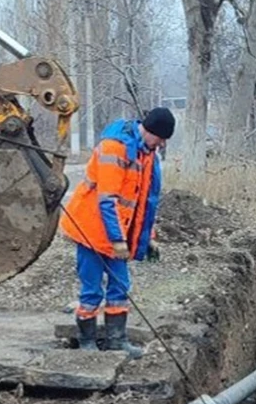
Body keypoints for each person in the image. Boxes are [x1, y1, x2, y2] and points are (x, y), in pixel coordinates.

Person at [59, 108, 174, 358]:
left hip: (115, 233)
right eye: (161, 138)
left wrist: (148, 237)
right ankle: (87, 341)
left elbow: (144, 202)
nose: (162, 144)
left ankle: (116, 340)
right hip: (90, 229)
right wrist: (118, 240)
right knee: (92, 289)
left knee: (120, 285)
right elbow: (107, 200)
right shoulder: (114, 148)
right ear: (150, 130)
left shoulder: (147, 154)